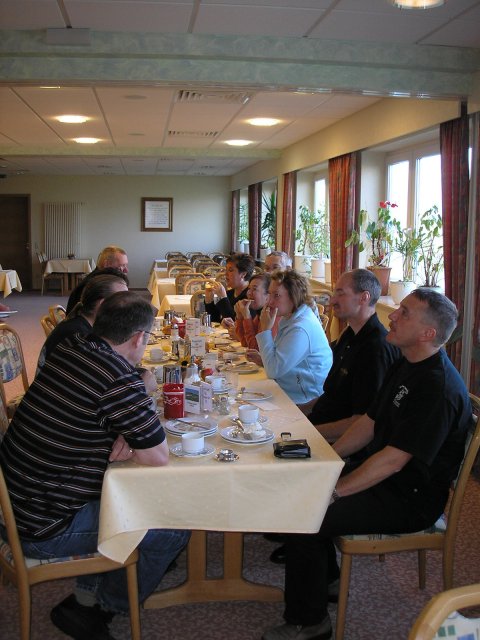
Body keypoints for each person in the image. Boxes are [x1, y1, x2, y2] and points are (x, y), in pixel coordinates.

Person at [261, 288, 472, 640]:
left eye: (404, 313)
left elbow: (394, 460)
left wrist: (335, 491)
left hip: (410, 497)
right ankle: (326, 580)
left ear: (428, 333)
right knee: (300, 481)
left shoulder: (437, 387)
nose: (393, 315)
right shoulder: (406, 362)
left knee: (307, 512)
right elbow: (369, 423)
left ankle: (309, 622)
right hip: (385, 475)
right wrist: (328, 460)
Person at [0, 291, 190, 640]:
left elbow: (109, 404)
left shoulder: (73, 347)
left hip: (16, 502)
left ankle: (89, 592)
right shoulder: (116, 380)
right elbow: (158, 456)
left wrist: (129, 429)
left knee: (121, 493)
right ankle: (101, 607)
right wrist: (135, 429)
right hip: (43, 526)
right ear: (140, 338)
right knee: (173, 525)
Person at [269, 268, 401, 565]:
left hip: (351, 443)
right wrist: (295, 413)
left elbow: (362, 421)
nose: (332, 299)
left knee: (275, 448)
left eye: (340, 292)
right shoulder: (350, 336)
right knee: (270, 429)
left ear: (363, 298)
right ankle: (291, 524)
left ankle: (310, 542)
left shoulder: (375, 349)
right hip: (326, 423)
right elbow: (329, 395)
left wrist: (308, 432)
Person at [255, 269, 332, 408]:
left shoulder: (300, 328)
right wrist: (263, 359)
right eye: (269, 294)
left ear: (293, 296)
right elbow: (279, 359)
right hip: (287, 389)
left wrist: (265, 330)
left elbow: (273, 371)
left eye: (276, 295)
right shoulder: (290, 317)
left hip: (306, 400)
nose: (270, 301)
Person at [38, 273, 128, 369]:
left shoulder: (83, 321)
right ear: (103, 305)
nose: (129, 306)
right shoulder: (80, 337)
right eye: (123, 300)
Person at [66, 245, 129, 314]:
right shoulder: (93, 285)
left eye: (126, 265)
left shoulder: (101, 279)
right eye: (121, 266)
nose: (126, 270)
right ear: (106, 264)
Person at [234, 272, 280, 349]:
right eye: (249, 289)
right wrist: (240, 316)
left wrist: (247, 317)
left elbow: (255, 348)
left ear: (268, 295)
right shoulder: (260, 313)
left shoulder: (272, 316)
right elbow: (245, 343)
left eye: (254, 289)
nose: (248, 293)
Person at [204, 252, 254, 323]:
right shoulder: (229, 293)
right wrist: (209, 300)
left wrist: (223, 298)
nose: (226, 274)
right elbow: (215, 321)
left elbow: (233, 323)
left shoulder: (250, 296)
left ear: (243, 274)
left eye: (230, 270)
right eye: (226, 270)